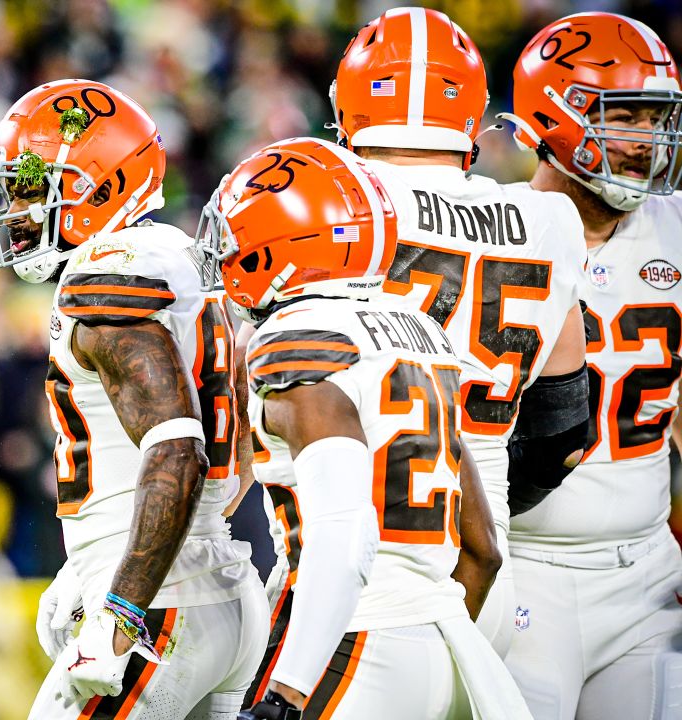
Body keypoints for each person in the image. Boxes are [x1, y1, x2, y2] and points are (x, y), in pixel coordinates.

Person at [194, 137, 526, 719]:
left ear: (276, 244)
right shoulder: (419, 330)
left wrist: (289, 690)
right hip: (446, 645)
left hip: (347, 641)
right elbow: (483, 550)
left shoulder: (299, 339)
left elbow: (345, 535)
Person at [0, 79, 267, 718]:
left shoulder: (110, 273)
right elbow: (236, 452)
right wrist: (91, 562)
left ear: (97, 186)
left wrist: (121, 604)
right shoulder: (185, 257)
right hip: (214, 587)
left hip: (162, 609)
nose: (17, 209)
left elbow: (179, 449)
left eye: (30, 185)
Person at [328, 6, 590, 656]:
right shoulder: (549, 219)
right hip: (486, 567)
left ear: (349, 106)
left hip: (361, 577)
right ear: (471, 113)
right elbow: (563, 429)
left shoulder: (331, 201)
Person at [500, 12, 682, 719]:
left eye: (657, 118)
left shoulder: (674, 229)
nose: (647, 141)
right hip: (522, 573)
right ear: (554, 112)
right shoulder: (493, 231)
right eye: (624, 115)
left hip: (646, 578)